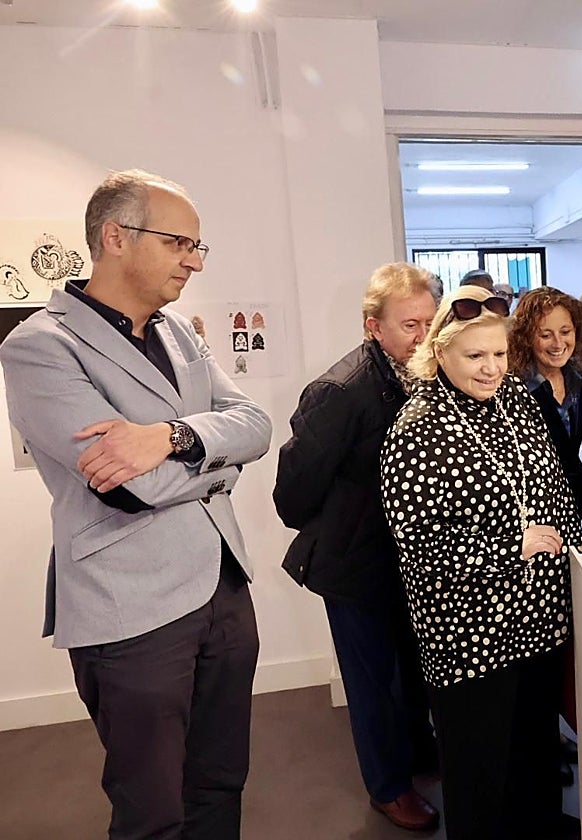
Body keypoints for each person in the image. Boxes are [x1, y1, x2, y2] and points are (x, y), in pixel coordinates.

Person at [0, 169, 272, 839]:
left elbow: (258, 425)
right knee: (152, 809)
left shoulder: (179, 334)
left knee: (219, 781)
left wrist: (174, 436)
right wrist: (218, 467)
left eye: (198, 247)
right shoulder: (40, 347)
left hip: (223, 591)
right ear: (116, 237)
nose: (194, 260)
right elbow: (128, 488)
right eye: (180, 242)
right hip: (130, 610)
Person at [381, 285, 582, 840]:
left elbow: (552, 481)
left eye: (499, 354)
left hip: (539, 614)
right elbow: (420, 547)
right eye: (475, 356)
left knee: (535, 747)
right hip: (471, 630)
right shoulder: (417, 428)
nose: (492, 368)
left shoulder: (515, 397)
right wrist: (509, 547)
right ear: (439, 352)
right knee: (480, 766)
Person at [273, 262, 439, 832]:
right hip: (355, 563)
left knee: (414, 672)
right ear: (374, 327)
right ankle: (388, 788)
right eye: (410, 324)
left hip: (408, 560)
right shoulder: (340, 391)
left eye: (429, 321)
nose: (423, 335)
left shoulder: (424, 376)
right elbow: (292, 493)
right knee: (373, 682)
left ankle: (418, 757)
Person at [509, 286, 582, 525]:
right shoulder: (513, 388)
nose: (558, 343)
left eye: (565, 331)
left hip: (570, 505)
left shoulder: (578, 380)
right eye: (545, 335)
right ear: (526, 338)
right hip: (528, 512)